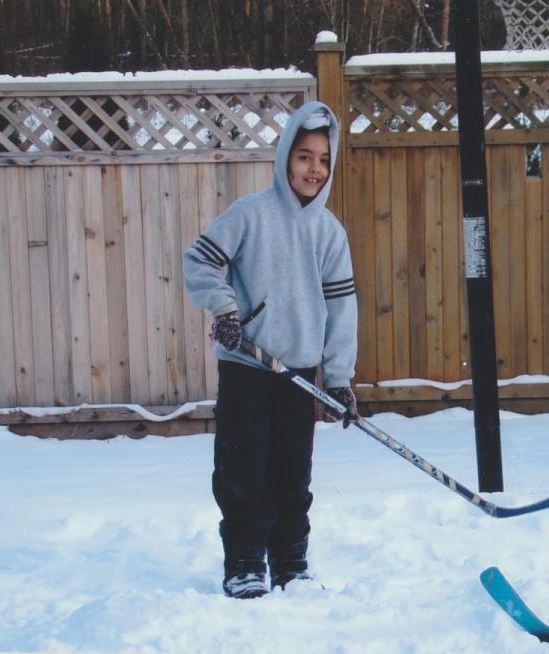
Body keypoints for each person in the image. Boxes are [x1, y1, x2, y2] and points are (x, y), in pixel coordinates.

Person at [182, 101, 359, 599]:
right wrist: (225, 311)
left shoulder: (330, 232)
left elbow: (342, 309)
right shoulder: (250, 215)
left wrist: (339, 378)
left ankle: (289, 562)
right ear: (285, 157)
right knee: (243, 469)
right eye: (304, 157)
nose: (314, 169)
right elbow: (200, 262)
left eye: (323, 159)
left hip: (298, 372)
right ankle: (243, 563)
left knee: (291, 472)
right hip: (248, 368)